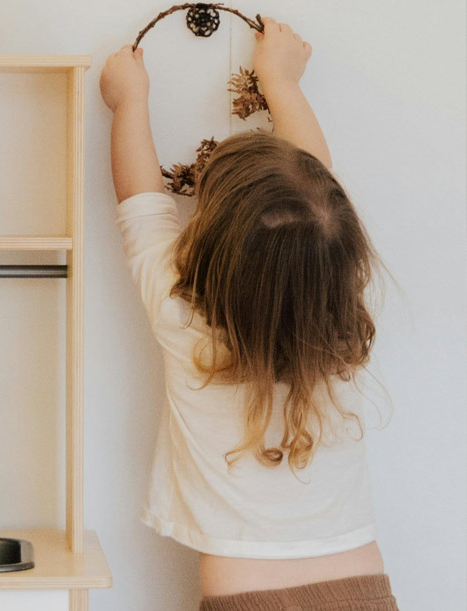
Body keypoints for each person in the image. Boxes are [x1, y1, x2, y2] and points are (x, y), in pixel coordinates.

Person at [100, 16, 399, 611]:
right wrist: (282, 82)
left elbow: (143, 208)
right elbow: (312, 197)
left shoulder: (185, 320)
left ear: (209, 244)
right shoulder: (339, 313)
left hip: (246, 599)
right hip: (365, 590)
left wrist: (127, 101)